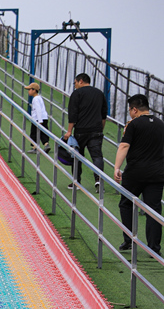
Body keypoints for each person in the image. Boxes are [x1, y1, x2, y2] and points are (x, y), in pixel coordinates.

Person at [113, 94, 164, 255]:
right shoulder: (161, 124)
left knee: (126, 204)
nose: (130, 113)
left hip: (135, 173)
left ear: (135, 109)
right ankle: (154, 248)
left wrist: (116, 167)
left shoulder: (133, 124)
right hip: (157, 174)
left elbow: (124, 146)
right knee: (153, 210)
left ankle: (129, 240)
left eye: (130, 110)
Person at [63, 73, 108, 189]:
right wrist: (100, 129)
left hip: (81, 130)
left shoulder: (77, 93)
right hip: (96, 130)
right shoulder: (99, 93)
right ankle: (98, 179)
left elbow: (73, 114)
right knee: (97, 156)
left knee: (77, 155)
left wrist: (69, 131)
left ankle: (76, 182)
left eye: (75, 83)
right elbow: (104, 115)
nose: (75, 85)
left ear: (81, 81)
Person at [24, 82, 50, 153]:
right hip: (44, 117)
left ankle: (35, 147)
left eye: (30, 90)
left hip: (38, 119)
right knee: (43, 133)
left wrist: (39, 120)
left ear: (34, 90)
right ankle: (46, 144)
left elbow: (38, 110)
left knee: (33, 133)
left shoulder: (35, 99)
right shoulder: (39, 98)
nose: (29, 91)